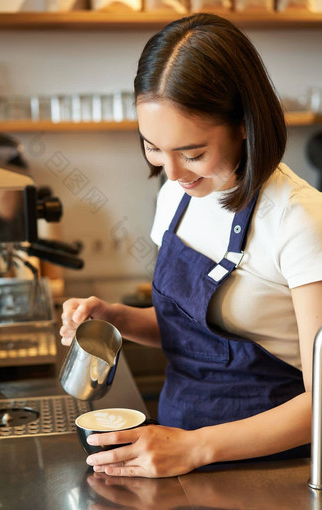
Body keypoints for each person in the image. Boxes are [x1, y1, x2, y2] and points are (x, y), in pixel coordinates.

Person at [60, 13, 322, 478]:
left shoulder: (299, 219)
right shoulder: (175, 198)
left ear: (244, 123)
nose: (173, 173)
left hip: (274, 472)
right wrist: (118, 319)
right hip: (177, 458)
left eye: (193, 152)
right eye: (153, 148)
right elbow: (197, 335)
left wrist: (195, 448)